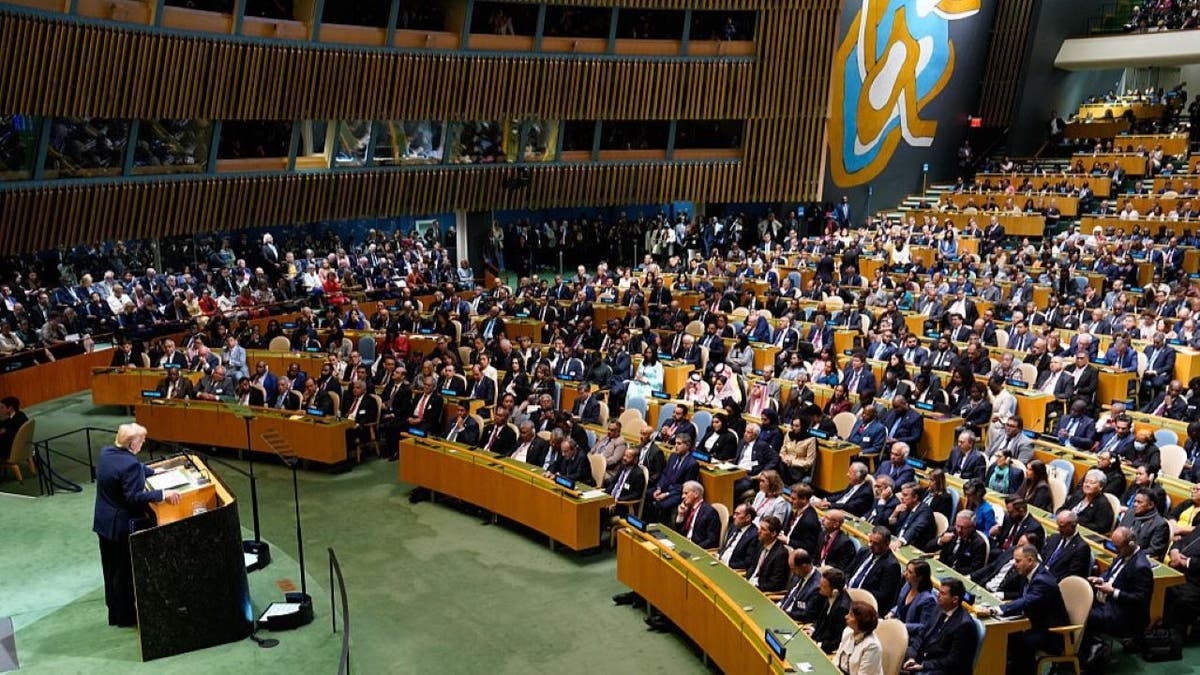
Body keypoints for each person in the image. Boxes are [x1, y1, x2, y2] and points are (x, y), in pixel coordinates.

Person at [93, 423, 183, 626]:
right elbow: (134, 497)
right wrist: (163, 494)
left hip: (104, 522)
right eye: (141, 441)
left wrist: (152, 471)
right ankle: (126, 617)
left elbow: (131, 468)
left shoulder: (107, 452)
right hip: (120, 527)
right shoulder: (129, 464)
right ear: (132, 443)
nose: (143, 444)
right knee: (124, 572)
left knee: (110, 570)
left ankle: (115, 614)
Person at [976, 544, 1070, 673]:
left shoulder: (1042, 580)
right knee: (1009, 637)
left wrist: (996, 609)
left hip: (1052, 633)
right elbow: (1023, 598)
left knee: (1017, 640)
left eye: (1018, 561)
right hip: (1034, 622)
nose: (1015, 564)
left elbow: (1026, 601)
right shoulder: (1031, 574)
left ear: (1030, 560)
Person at [1082, 526, 1154, 658]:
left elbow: (1140, 599)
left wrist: (1113, 591)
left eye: (1118, 546)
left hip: (1123, 612)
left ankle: (1094, 651)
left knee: (1085, 614)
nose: (1115, 550)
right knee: (1078, 604)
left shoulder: (1141, 567)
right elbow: (1110, 573)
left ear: (1131, 544)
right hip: (1108, 601)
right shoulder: (1123, 554)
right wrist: (1100, 579)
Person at [902, 578, 980, 675]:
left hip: (945, 670)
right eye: (939, 591)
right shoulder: (939, 607)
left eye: (943, 594)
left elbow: (952, 660)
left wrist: (923, 666)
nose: (938, 595)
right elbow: (922, 633)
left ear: (955, 599)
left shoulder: (964, 625)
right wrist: (911, 657)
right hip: (927, 658)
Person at [845, 526, 902, 611]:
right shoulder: (864, 551)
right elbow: (848, 571)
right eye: (870, 541)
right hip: (846, 593)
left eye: (876, 543)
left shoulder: (891, 565)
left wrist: (857, 594)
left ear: (887, 544)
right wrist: (845, 584)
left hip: (863, 604)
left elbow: (883, 595)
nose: (870, 545)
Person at [806, 567, 851, 653]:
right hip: (817, 639)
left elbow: (838, 639)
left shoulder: (842, 609)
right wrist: (813, 629)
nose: (819, 587)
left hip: (826, 649)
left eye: (823, 586)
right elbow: (821, 619)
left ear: (835, 591)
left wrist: (819, 644)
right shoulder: (829, 596)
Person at [888, 559, 938, 636]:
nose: (905, 574)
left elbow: (923, 626)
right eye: (906, 570)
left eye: (910, 572)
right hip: (896, 626)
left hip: (910, 635)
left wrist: (902, 626)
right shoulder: (907, 585)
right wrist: (892, 612)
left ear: (920, 577)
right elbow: (901, 606)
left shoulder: (928, 599)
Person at [833, 600, 884, 675]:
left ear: (861, 621)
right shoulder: (847, 631)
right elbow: (837, 659)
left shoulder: (872, 646)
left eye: (851, 615)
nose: (846, 617)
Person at [1041, 510, 1092, 580]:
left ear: (1072, 526)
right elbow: (1042, 557)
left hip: (1055, 584)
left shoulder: (1081, 548)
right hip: (1040, 576)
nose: (1058, 529)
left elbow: (1071, 577)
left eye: (1061, 526)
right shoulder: (1054, 538)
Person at [938, 510, 988, 576]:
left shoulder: (979, 544)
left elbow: (975, 569)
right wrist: (941, 541)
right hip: (941, 569)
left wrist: (952, 571)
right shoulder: (951, 531)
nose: (959, 530)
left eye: (964, 528)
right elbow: (927, 547)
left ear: (972, 527)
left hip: (959, 575)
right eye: (958, 526)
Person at [779, 548, 823, 622]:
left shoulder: (817, 586)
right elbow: (788, 596)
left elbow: (807, 615)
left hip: (792, 621)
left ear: (804, 566)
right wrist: (779, 604)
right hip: (781, 613)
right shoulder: (798, 576)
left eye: (794, 569)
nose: (793, 573)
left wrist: (784, 613)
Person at [747, 516, 790, 592]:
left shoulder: (781, 554)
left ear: (773, 533)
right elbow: (752, 566)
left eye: (763, 529)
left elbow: (776, 584)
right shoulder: (760, 544)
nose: (758, 531)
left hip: (761, 591)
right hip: (749, 583)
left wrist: (756, 587)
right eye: (760, 528)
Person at [717, 503, 760, 570]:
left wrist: (727, 564)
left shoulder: (754, 535)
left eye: (737, 514)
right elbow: (725, 547)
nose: (734, 516)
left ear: (748, 517)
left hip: (732, 569)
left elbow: (747, 563)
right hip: (719, 562)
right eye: (734, 513)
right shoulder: (733, 526)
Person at [0, 396, 29, 462]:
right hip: (25, 447)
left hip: (11, 450)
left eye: (2, 407)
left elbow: (8, 436)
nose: (0, 409)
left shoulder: (11, 421)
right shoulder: (21, 415)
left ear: (10, 408)